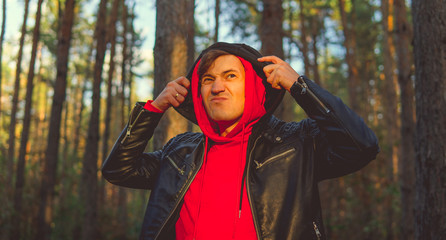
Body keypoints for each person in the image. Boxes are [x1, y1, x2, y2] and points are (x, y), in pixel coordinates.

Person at [102, 42, 379, 240]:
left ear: (255, 87)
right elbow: (118, 169)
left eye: (230, 76)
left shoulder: (295, 144)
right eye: (207, 79)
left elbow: (360, 146)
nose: (217, 87)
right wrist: (153, 110)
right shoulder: (180, 152)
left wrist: (300, 86)